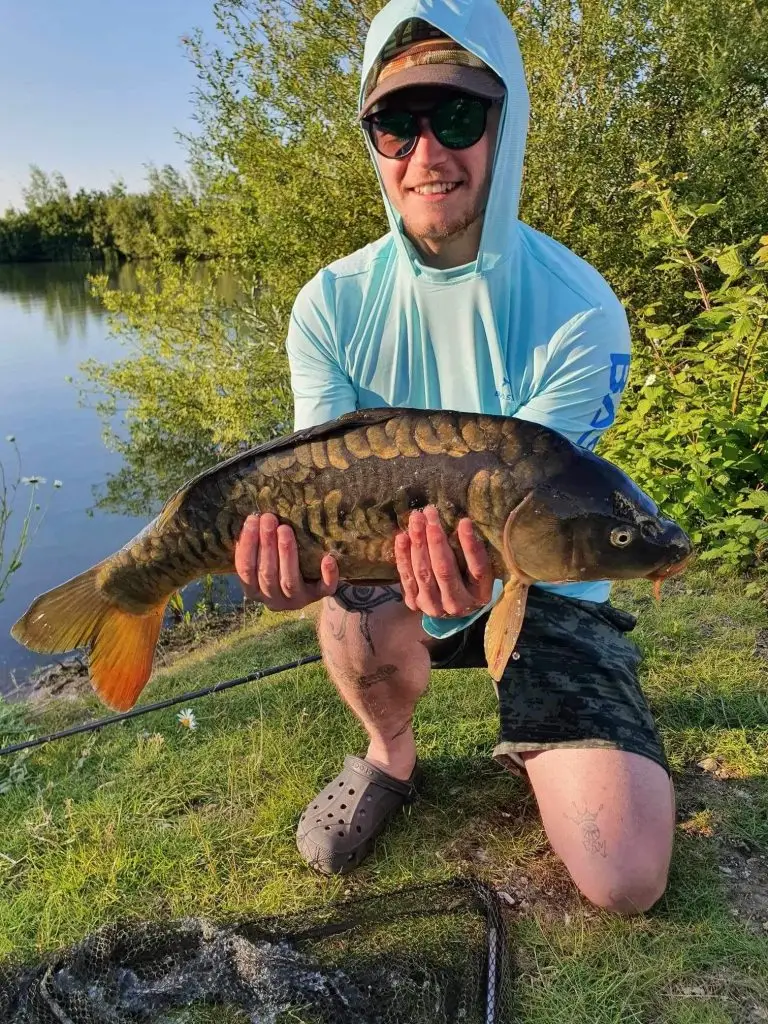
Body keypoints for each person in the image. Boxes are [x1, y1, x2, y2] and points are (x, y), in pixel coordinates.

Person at [234, 0, 675, 914]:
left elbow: (553, 510)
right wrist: (295, 570)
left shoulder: (580, 310)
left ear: (505, 124)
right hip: (393, 569)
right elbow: (310, 490)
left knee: (625, 878)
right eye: (397, 125)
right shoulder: (331, 304)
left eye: (459, 116)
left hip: (545, 582)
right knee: (351, 614)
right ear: (374, 144)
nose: (426, 153)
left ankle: (556, 727)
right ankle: (389, 754)